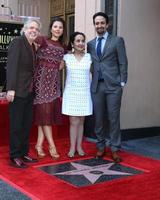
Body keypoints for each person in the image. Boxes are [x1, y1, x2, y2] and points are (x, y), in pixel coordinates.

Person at [87, 12, 128, 163]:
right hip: (97, 86)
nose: (99, 25)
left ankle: (115, 149)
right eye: (97, 23)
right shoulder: (90, 44)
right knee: (98, 119)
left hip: (113, 86)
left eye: (102, 23)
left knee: (113, 119)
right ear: (94, 25)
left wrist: (122, 81)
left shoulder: (117, 41)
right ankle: (100, 147)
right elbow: (91, 64)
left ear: (107, 24)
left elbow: (123, 62)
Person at [6, 19, 41, 168]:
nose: (34, 30)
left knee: (26, 125)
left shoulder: (33, 46)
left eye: (36, 29)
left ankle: (23, 153)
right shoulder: (18, 42)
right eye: (31, 27)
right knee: (16, 125)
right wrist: (11, 88)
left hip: (29, 92)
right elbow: (12, 66)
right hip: (18, 91)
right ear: (24, 29)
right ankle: (14, 156)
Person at [33, 17, 67, 159]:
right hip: (40, 84)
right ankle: (52, 146)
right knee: (45, 115)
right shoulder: (42, 40)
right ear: (51, 28)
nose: (58, 29)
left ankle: (39, 145)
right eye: (55, 26)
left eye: (60, 27)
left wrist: (63, 63)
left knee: (44, 116)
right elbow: (29, 51)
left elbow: (63, 63)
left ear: (63, 30)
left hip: (53, 85)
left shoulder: (63, 47)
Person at [62, 32, 93, 158]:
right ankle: (71, 148)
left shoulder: (89, 57)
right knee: (73, 122)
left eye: (82, 41)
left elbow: (94, 73)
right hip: (71, 92)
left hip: (85, 92)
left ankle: (79, 147)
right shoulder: (66, 58)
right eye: (78, 41)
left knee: (81, 121)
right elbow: (54, 68)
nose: (80, 43)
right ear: (72, 44)